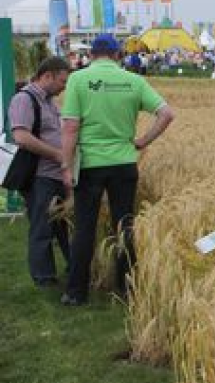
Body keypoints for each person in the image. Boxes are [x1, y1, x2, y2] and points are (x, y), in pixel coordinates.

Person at [59, 34, 175, 306]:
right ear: (117, 54)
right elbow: (167, 114)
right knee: (124, 225)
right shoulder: (133, 80)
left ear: (92, 54)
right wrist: (143, 141)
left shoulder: (78, 79)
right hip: (124, 163)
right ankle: (126, 288)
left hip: (90, 165)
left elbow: (70, 127)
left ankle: (76, 293)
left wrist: (66, 164)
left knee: (85, 228)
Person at [8, 57, 73, 287]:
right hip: (39, 176)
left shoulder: (50, 103)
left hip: (57, 174)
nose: (64, 86)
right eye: (62, 81)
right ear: (47, 76)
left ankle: (74, 271)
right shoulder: (24, 100)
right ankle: (44, 279)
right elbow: (22, 137)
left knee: (62, 226)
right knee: (42, 227)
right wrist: (57, 155)